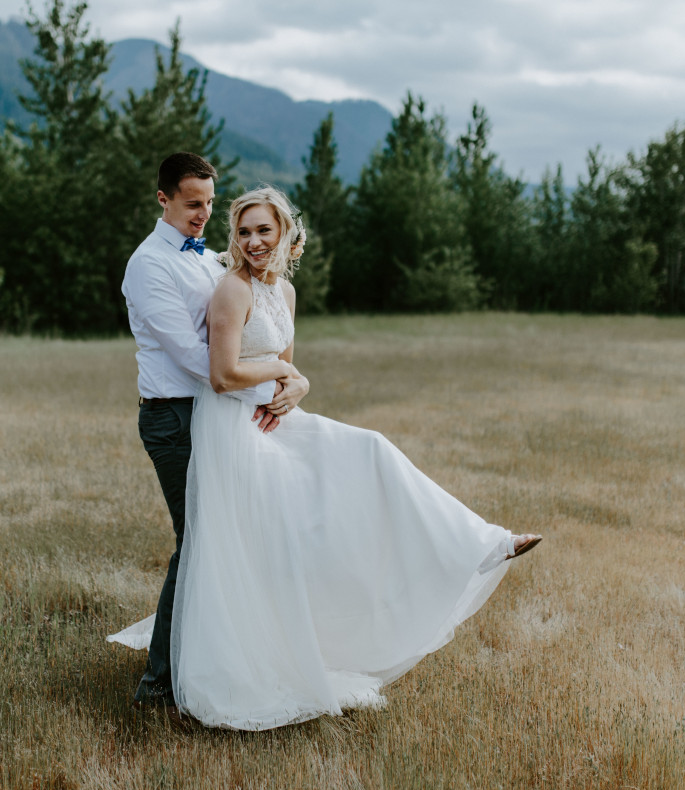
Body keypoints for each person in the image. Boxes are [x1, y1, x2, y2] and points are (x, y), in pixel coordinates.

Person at [110, 185, 541, 730]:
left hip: (273, 416)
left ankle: (477, 543)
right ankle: (216, 666)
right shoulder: (230, 290)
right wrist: (282, 376)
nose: (253, 240)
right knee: (270, 532)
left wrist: (298, 386)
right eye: (243, 232)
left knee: (368, 455)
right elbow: (222, 375)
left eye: (263, 229)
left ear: (285, 232)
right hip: (232, 425)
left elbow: (287, 367)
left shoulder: (284, 294)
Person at [118, 154, 311, 714]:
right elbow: (202, 360)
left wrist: (293, 379)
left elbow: (254, 316)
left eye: (208, 202)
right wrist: (278, 373)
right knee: (198, 543)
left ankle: (213, 658)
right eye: (192, 202)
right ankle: (157, 688)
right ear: (164, 199)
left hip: (218, 415)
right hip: (175, 417)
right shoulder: (149, 266)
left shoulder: (208, 260)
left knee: (225, 541)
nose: (204, 213)